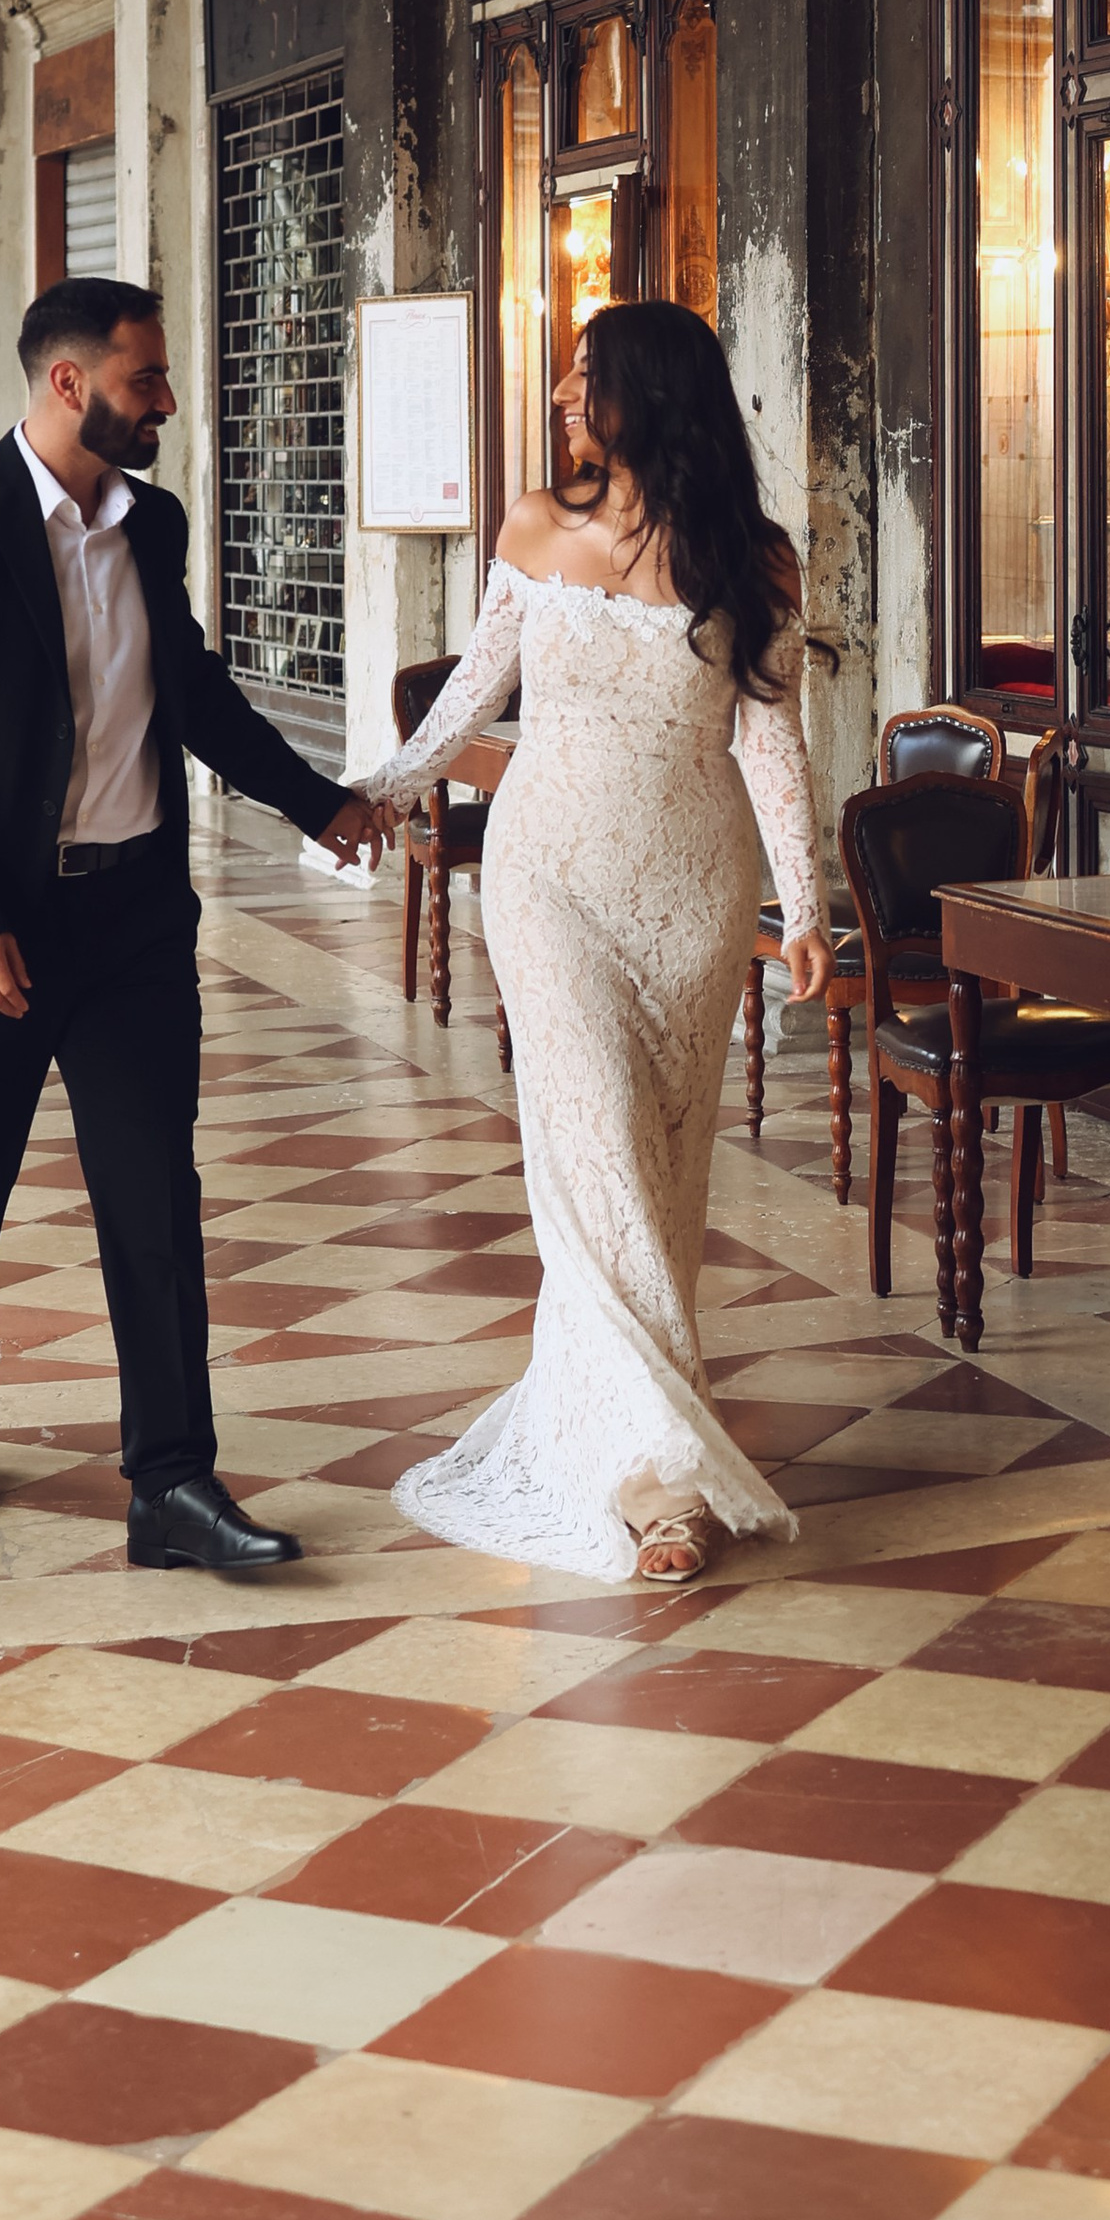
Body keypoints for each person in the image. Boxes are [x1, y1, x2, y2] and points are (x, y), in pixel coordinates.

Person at [0, 278, 384, 1567]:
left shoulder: (151, 524)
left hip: (133, 923)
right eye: (145, 380)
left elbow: (190, 690)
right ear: (68, 384)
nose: (165, 403)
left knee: (155, 1197)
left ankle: (171, 1483)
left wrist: (315, 802)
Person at [370, 299, 829, 1584]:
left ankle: (637, 1434)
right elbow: (476, 694)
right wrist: (379, 790)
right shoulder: (533, 525)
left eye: (587, 379)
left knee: (662, 1161)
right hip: (548, 877)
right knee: (594, 1153)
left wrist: (802, 908)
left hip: (692, 892)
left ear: (652, 394)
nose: (567, 398)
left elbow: (773, 746)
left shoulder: (757, 559)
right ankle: (655, 1481)